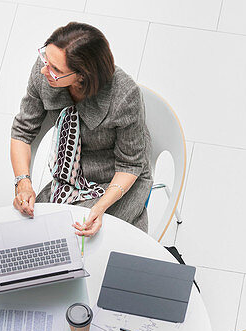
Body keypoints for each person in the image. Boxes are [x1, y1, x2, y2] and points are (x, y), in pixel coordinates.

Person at [10, 22, 152, 236]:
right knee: (32, 233)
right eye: (45, 59)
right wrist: (22, 182)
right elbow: (22, 131)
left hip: (115, 180)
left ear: (82, 76)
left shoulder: (125, 95)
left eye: (56, 70)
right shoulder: (45, 71)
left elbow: (130, 164)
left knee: (70, 237)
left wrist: (101, 207)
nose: (43, 70)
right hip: (68, 176)